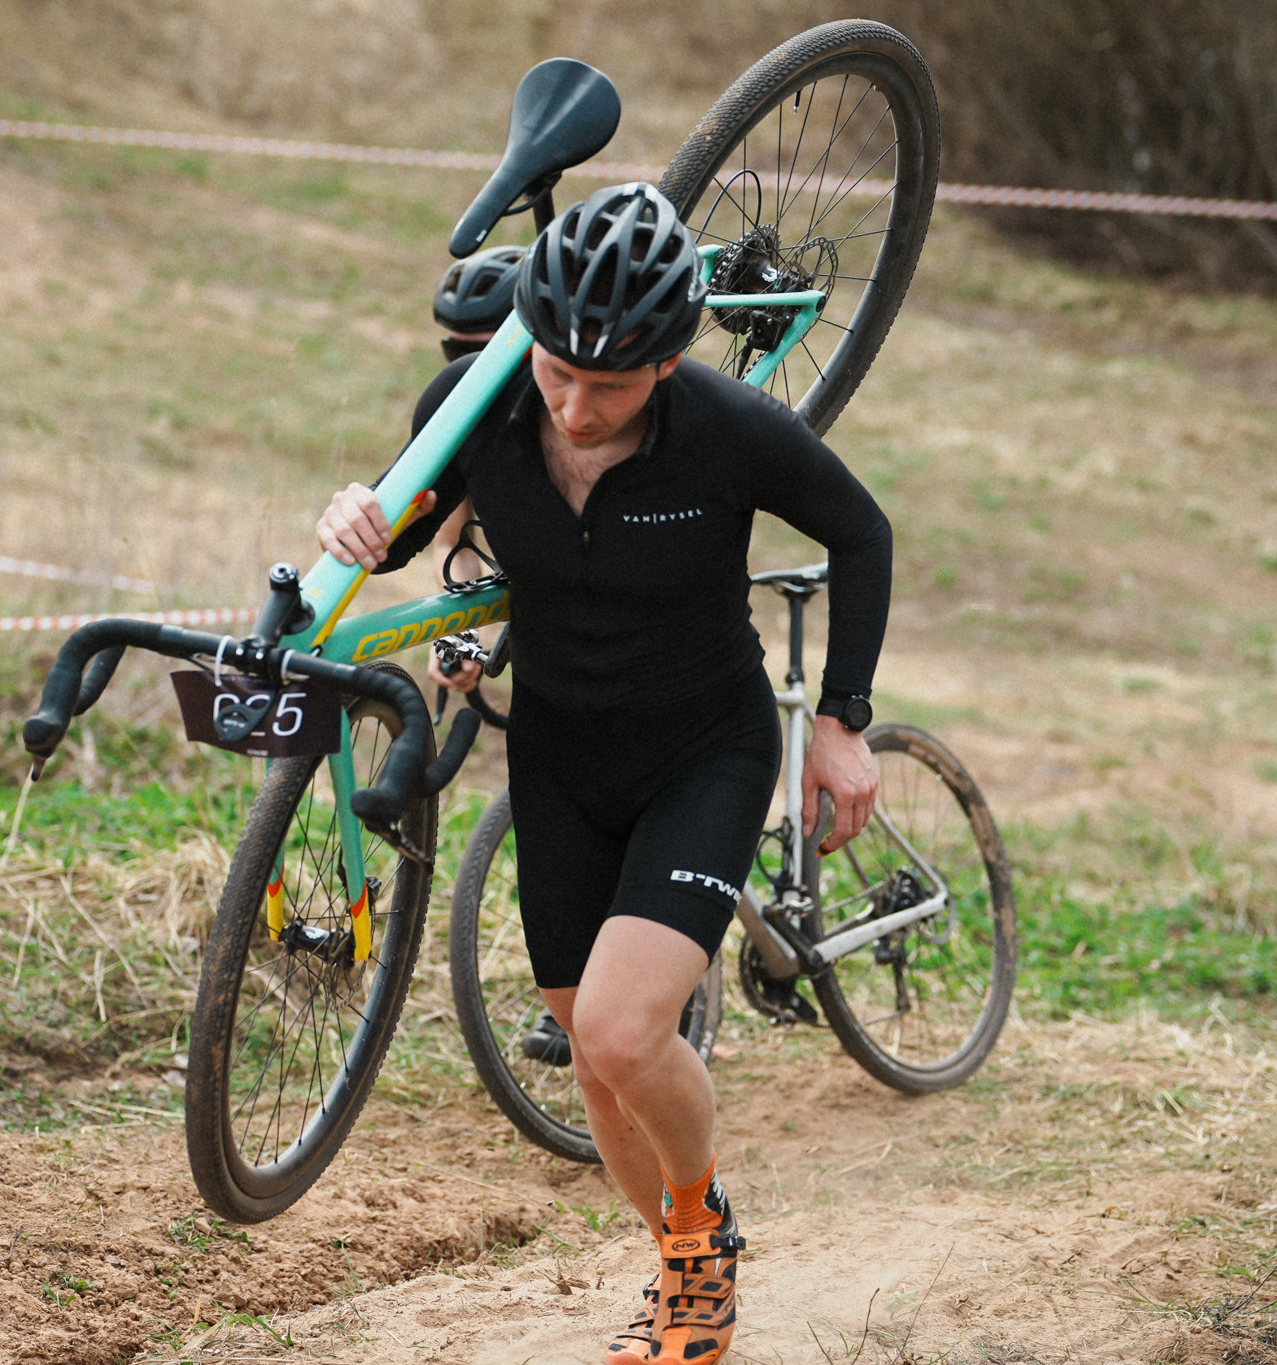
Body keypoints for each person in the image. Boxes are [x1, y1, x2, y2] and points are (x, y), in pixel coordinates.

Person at [318, 182, 891, 1365]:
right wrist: (356, 521)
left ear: (671, 361)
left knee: (630, 1035)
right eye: (558, 375)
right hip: (563, 757)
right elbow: (403, 526)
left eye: (611, 386)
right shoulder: (476, 405)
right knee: (592, 1058)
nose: (575, 410)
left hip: (705, 749)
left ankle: (703, 1234)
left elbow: (862, 533)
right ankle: (683, 1249)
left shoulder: (727, 430)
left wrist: (841, 721)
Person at [427, 245, 522, 589]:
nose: (466, 368)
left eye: (482, 352)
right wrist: (457, 635)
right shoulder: (459, 419)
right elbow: (451, 542)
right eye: (455, 352)